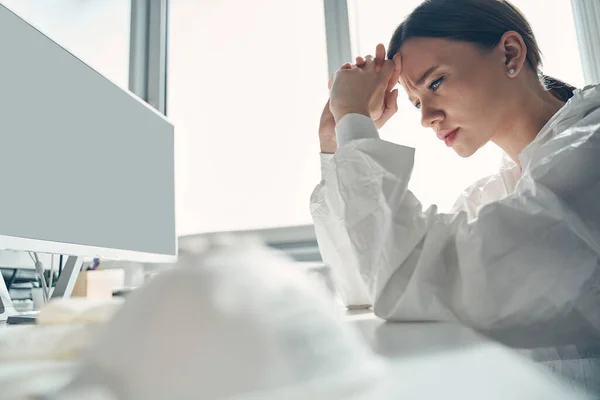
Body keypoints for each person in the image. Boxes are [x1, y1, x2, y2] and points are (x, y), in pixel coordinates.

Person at [311, 0, 600, 392]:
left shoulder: (590, 152)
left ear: (510, 54)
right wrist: (336, 143)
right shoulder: (492, 195)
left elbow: (404, 275)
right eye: (415, 102)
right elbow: (366, 285)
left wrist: (354, 120)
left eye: (435, 82)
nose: (426, 116)